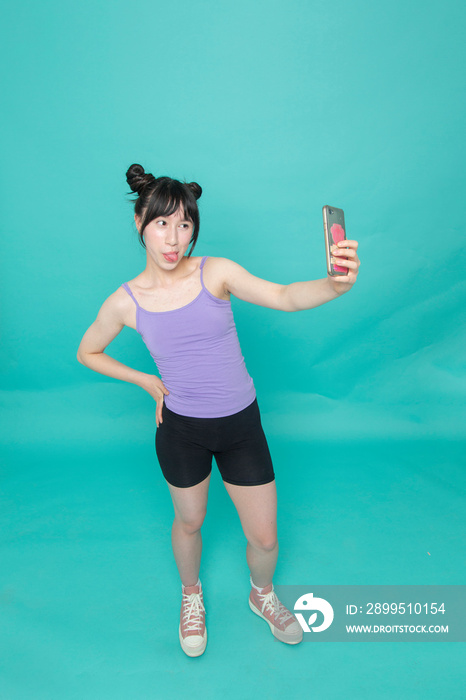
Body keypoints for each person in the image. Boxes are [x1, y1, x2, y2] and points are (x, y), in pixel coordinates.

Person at [77, 163, 360, 658]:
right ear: (139, 222)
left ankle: (262, 594)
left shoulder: (217, 272)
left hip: (240, 426)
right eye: (162, 223)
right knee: (189, 522)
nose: (174, 238)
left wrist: (335, 285)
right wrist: (146, 381)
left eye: (185, 224)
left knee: (265, 539)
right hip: (181, 431)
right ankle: (191, 595)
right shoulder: (125, 302)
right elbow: (88, 351)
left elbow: (284, 297)